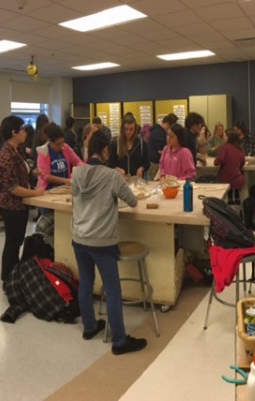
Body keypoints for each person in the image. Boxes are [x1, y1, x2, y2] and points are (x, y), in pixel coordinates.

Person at [71, 132, 147, 355]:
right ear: (105, 151)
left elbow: (77, 197)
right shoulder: (112, 176)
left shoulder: (77, 172)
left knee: (86, 283)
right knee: (113, 290)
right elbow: (132, 201)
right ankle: (120, 341)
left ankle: (89, 327)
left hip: (79, 237)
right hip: (102, 240)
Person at [0, 115, 44, 286]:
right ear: (13, 132)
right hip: (11, 206)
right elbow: (13, 188)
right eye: (22, 129)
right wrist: (35, 193)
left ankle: (13, 274)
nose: (25, 132)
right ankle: (7, 278)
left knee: (16, 242)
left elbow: (21, 173)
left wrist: (33, 173)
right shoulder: (5, 155)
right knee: (12, 243)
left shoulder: (17, 150)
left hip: (20, 206)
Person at [36, 122, 83, 190]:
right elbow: (46, 176)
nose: (61, 146)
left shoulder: (66, 148)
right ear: (49, 141)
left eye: (62, 143)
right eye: (57, 144)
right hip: (48, 190)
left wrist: (76, 172)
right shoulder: (43, 152)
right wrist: (64, 180)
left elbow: (78, 162)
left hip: (65, 188)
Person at [214, 128, 245, 204]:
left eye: (225, 135)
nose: (223, 137)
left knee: (229, 199)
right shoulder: (240, 148)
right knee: (237, 198)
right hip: (238, 179)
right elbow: (242, 162)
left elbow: (217, 162)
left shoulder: (225, 147)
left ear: (229, 137)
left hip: (227, 179)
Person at [147, 113, 178, 180]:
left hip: (154, 161)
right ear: (167, 124)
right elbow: (161, 150)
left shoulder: (157, 130)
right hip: (155, 163)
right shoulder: (159, 132)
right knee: (155, 182)